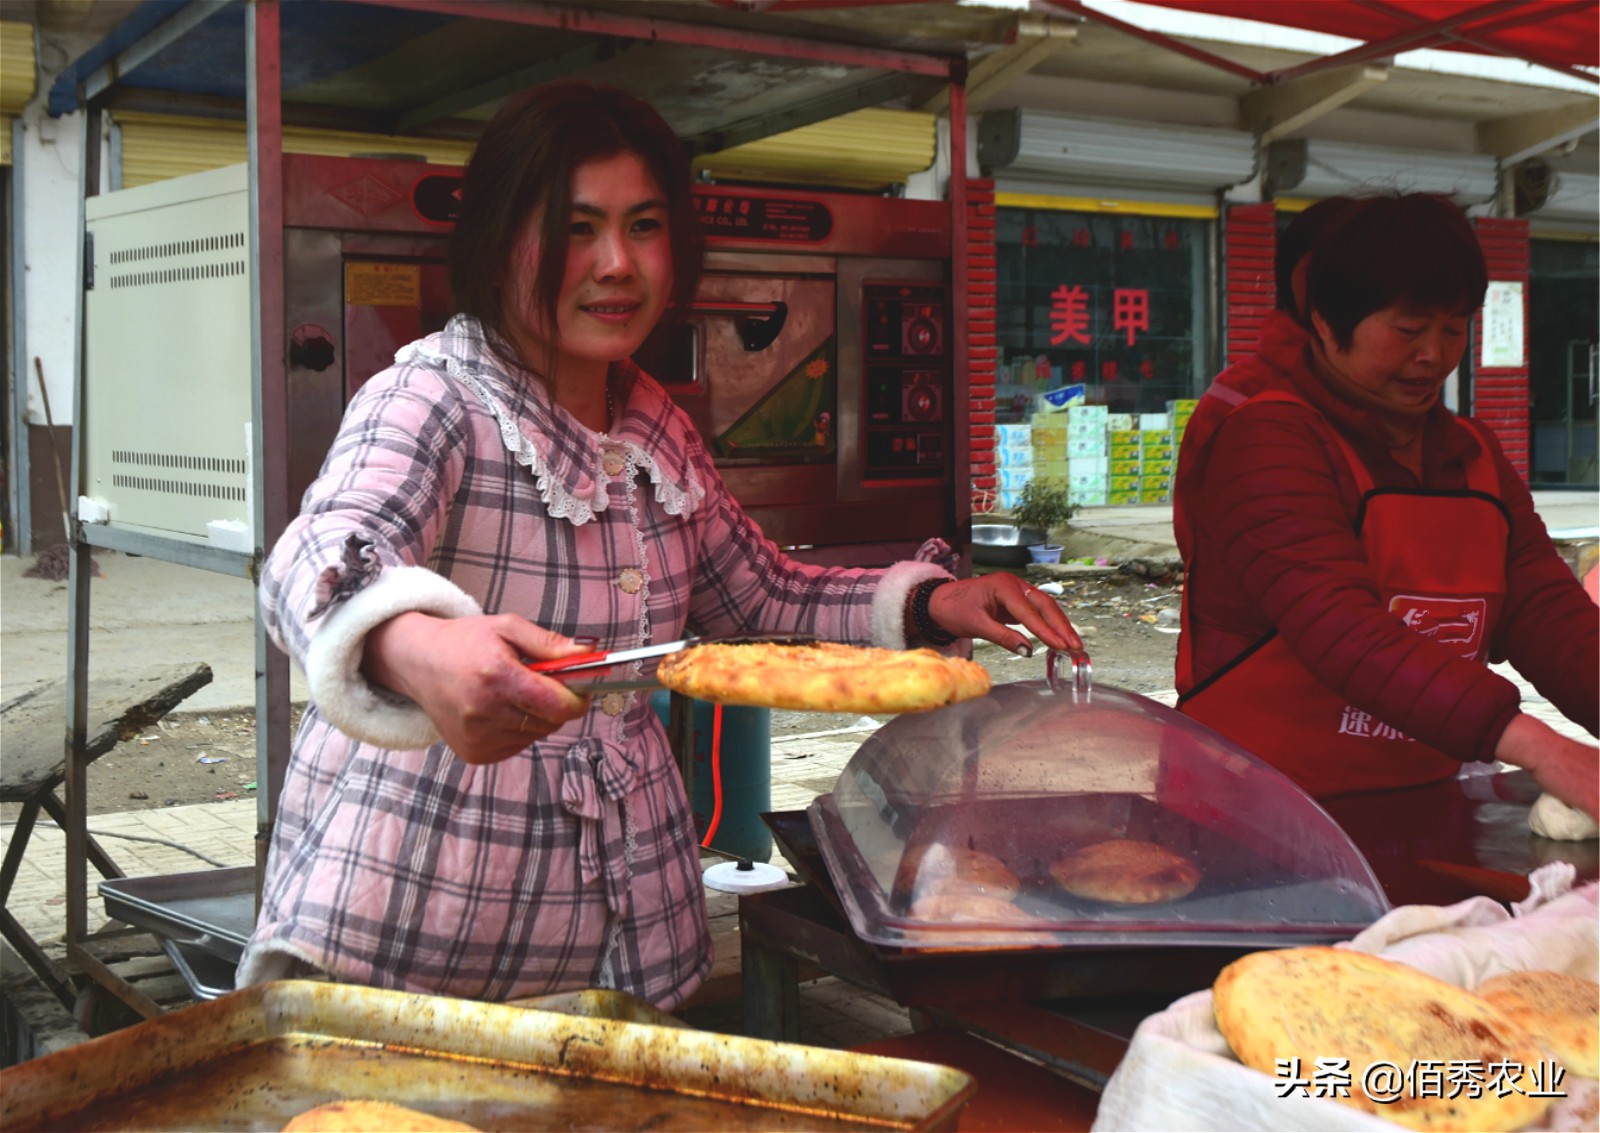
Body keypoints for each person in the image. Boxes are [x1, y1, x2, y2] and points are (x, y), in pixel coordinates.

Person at [237, 81, 1081, 1010]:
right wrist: (413, 643)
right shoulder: (437, 398)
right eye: (575, 227)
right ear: (495, 239)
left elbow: (761, 599)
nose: (616, 264)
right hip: (421, 920)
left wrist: (933, 602)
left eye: (643, 226)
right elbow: (314, 552)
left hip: (617, 922)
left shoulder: (655, 425)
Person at [1173, 192, 1598, 816]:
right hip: (1248, 807)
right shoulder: (1268, 438)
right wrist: (1540, 747)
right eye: (1408, 329)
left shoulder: (1474, 456)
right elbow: (1342, 629)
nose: (1433, 354)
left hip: (1414, 804)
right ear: (1323, 320)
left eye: (1455, 327)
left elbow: (1545, 613)